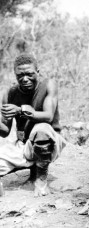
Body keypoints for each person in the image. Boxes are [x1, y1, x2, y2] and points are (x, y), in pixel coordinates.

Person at [0, 53, 66, 196]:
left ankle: (41, 181)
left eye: (29, 74)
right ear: (14, 75)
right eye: (20, 75)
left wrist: (19, 110)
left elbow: (48, 116)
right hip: (24, 146)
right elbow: (5, 131)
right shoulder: (9, 94)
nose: (25, 79)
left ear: (38, 72)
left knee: (41, 129)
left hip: (51, 142)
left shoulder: (48, 85)